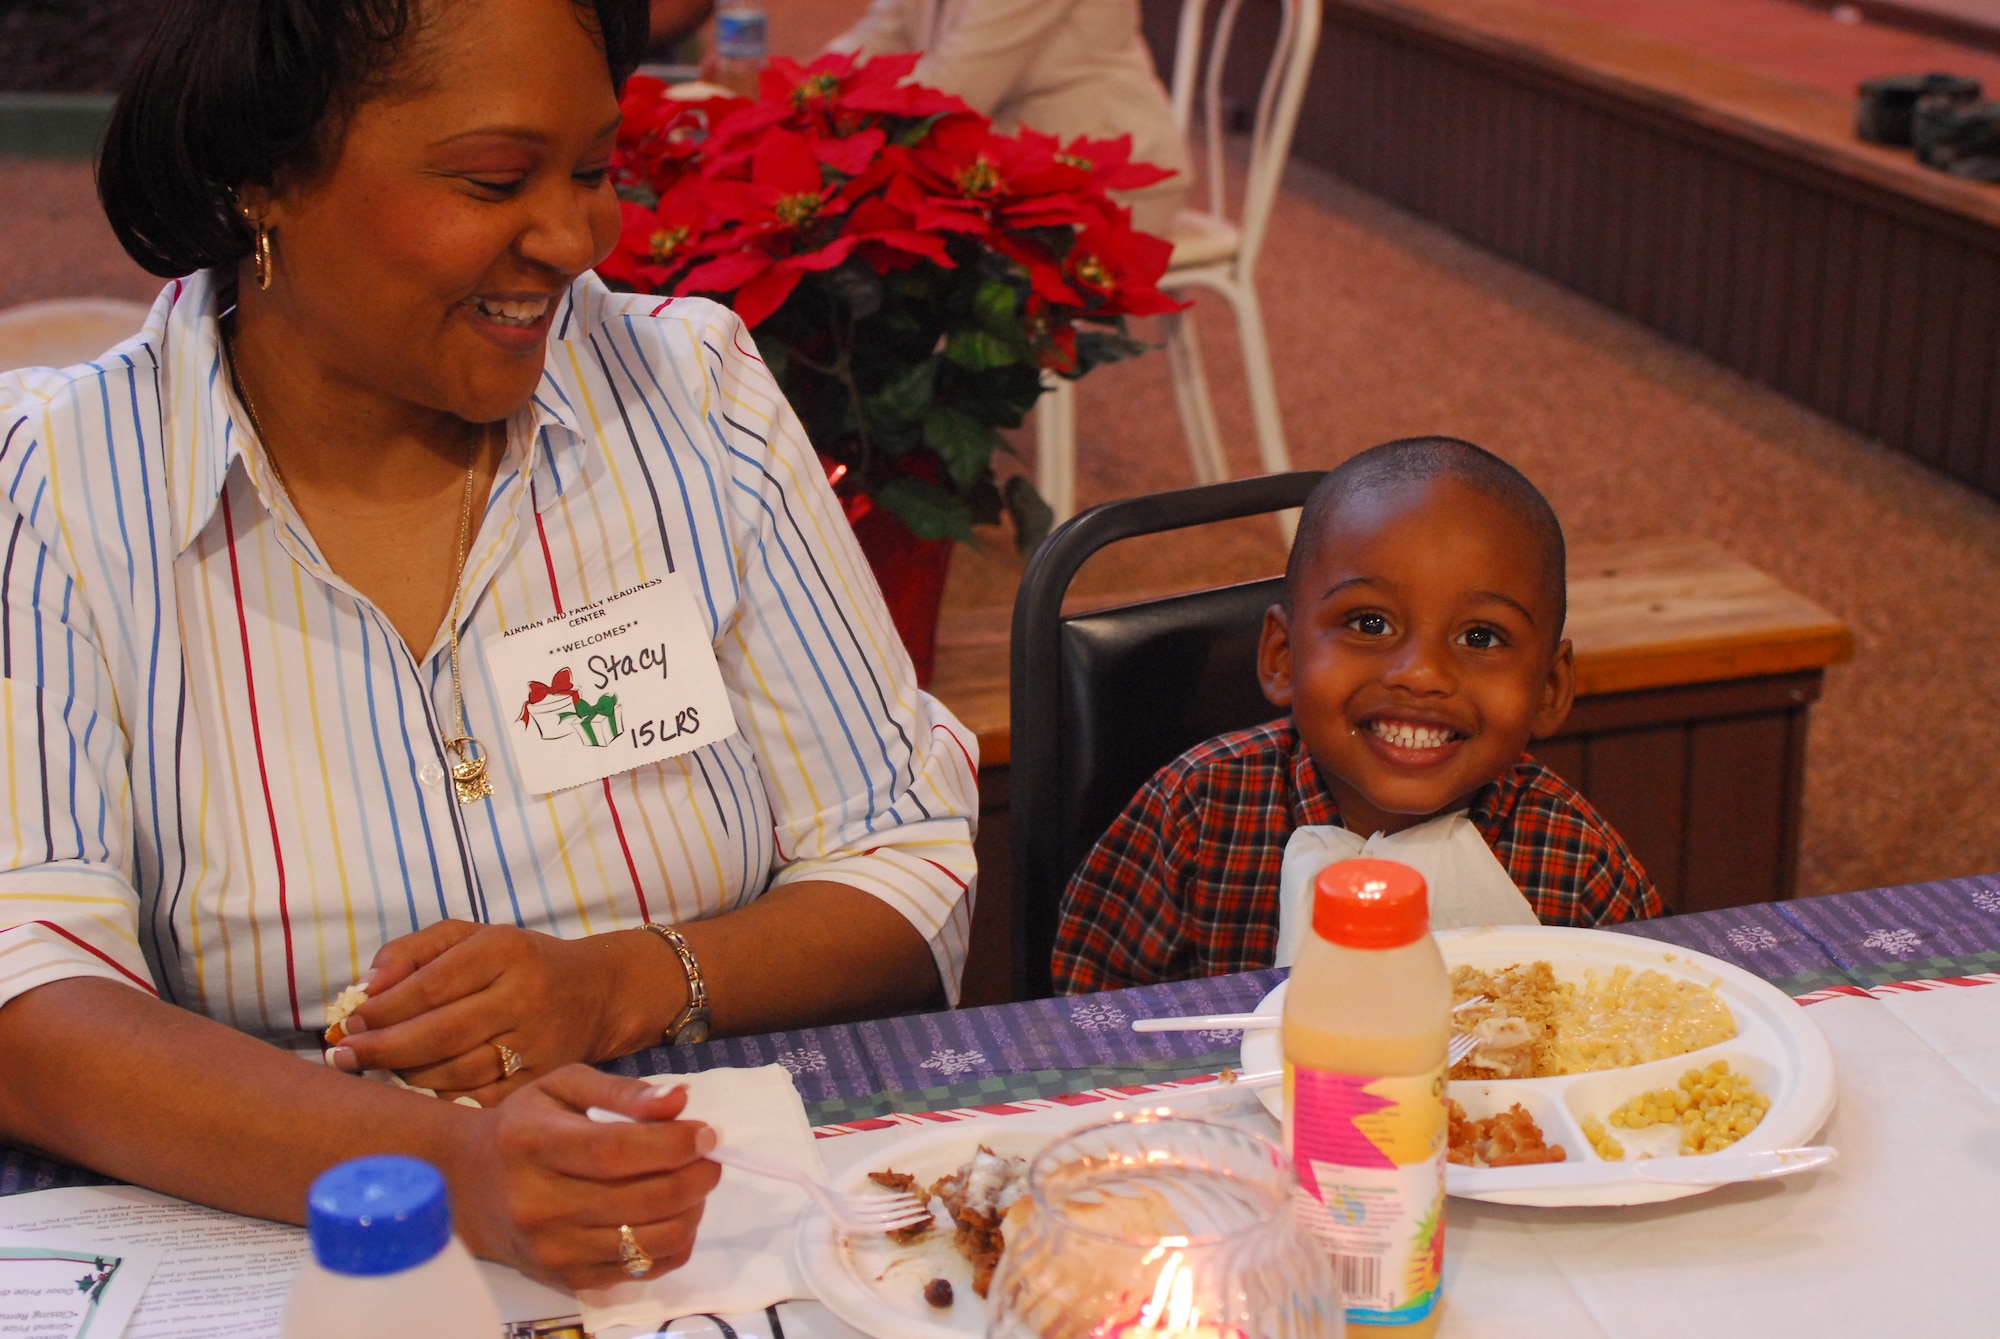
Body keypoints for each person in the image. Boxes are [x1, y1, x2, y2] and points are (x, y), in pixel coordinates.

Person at [0, 0, 977, 1290]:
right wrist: (441, 1169)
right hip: (308, 1254)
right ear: (261, 182)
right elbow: (30, 999)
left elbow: (902, 852)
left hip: (711, 1233)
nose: (572, 240)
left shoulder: (691, 398)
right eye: (493, 180)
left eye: (592, 171)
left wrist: (627, 981)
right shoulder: (61, 486)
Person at [1052, 437, 1661, 994]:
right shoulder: (1197, 810)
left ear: (1550, 688)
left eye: (1480, 637)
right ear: (1283, 656)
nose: (1421, 674)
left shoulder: (1573, 855)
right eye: (1370, 624)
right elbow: (1079, 1018)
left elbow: (1649, 1023)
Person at [827, 0, 1192, 233]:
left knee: (854, 227)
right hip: (999, 164)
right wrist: (814, 87)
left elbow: (957, 88)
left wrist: (843, 107)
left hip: (1100, 177)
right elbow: (880, 34)